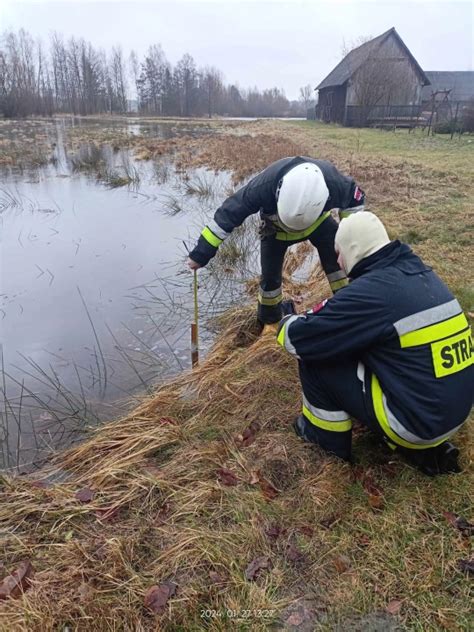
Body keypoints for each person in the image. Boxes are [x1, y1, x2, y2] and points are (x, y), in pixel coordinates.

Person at [277, 212, 473, 475]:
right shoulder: (421, 273)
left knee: (317, 355)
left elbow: (300, 340)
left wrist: (285, 320)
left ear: (353, 249)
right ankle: (421, 446)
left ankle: (324, 439)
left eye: (339, 251)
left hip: (418, 423)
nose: (337, 260)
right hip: (452, 415)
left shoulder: (371, 292)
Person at [187, 157, 365, 324]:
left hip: (319, 223)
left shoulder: (335, 183)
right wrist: (200, 255)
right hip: (276, 231)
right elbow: (226, 217)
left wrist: (348, 240)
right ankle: (270, 322)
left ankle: (348, 303)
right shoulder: (262, 186)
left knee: (338, 263)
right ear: (278, 194)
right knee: (270, 283)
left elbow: (355, 207)